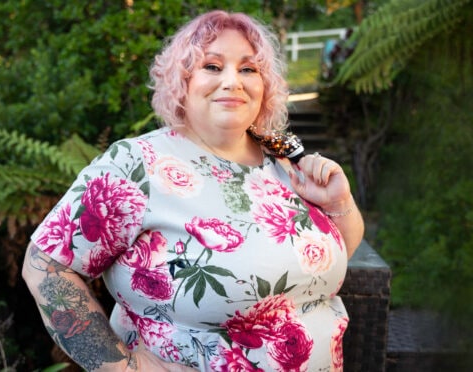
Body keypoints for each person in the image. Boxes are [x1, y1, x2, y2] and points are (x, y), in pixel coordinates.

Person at [22, 10, 364, 372]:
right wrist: (120, 368)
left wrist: (339, 204)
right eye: (212, 67)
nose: (232, 81)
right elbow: (45, 265)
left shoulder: (281, 157)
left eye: (248, 69)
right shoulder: (137, 165)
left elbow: (332, 259)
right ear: (181, 81)